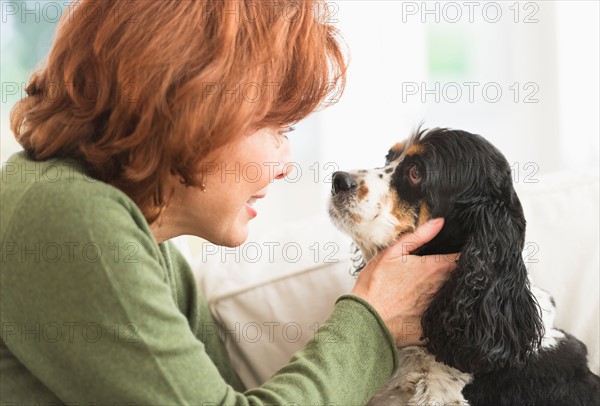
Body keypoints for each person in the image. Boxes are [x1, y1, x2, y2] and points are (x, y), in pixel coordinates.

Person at [0, 1, 457, 404]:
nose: (286, 165)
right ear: (196, 110)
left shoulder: (143, 241)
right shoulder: (73, 219)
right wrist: (373, 318)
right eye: (281, 130)